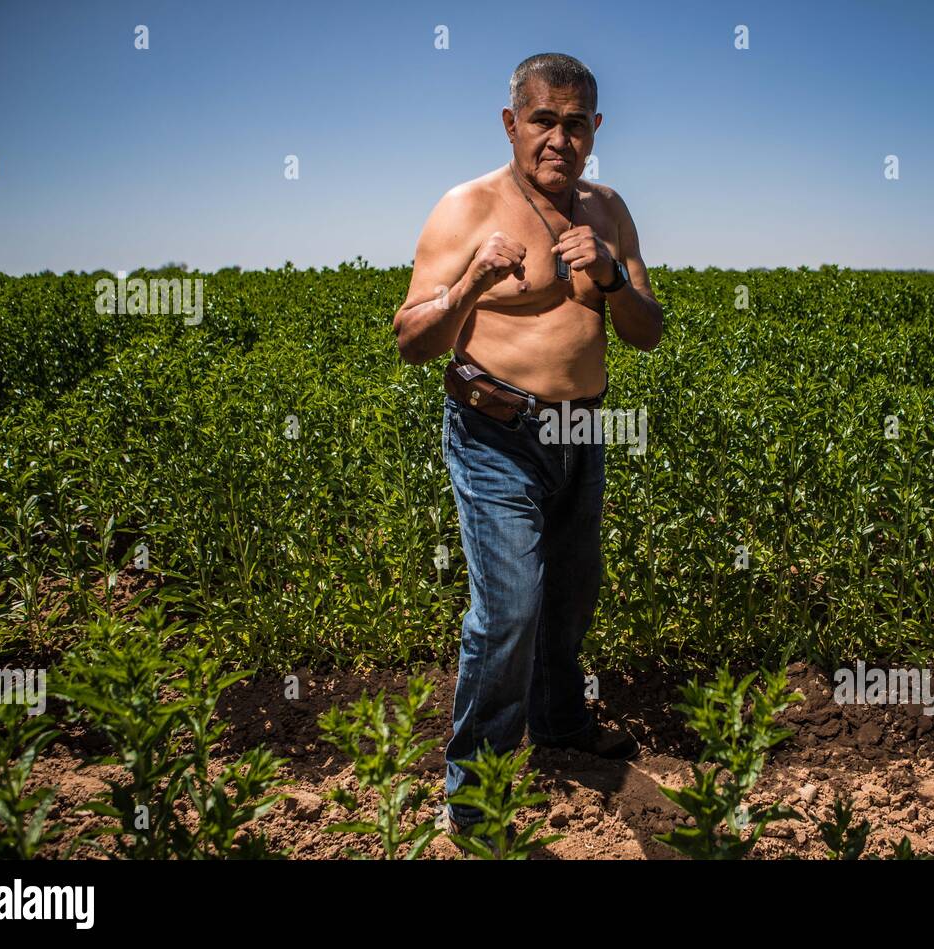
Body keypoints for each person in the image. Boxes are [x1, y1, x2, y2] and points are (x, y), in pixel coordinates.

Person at [393, 52, 663, 843]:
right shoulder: (466, 207)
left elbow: (647, 332)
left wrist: (613, 276)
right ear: (512, 123)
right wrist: (471, 283)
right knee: (509, 608)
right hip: (495, 430)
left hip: (584, 429)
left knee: (573, 592)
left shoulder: (608, 211)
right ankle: (471, 791)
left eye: (575, 123)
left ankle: (559, 721)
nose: (559, 138)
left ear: (595, 131)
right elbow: (411, 338)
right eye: (542, 120)